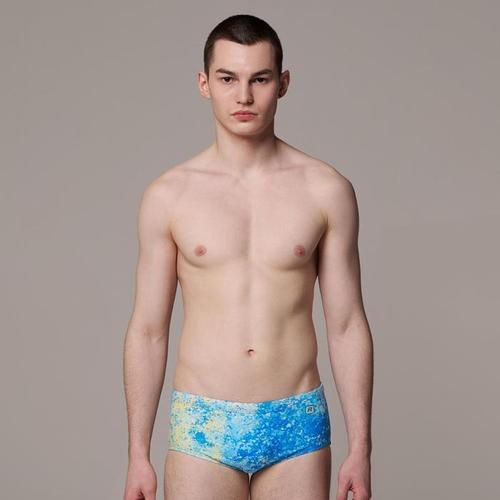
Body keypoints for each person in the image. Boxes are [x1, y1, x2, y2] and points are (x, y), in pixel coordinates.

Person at [123, 13, 373, 500]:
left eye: (259, 79)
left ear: (283, 84)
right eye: (227, 79)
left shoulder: (326, 190)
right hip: (203, 425)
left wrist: (361, 447)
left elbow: (346, 324)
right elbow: (148, 330)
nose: (244, 96)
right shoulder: (169, 196)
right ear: (204, 84)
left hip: (296, 422)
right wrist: (137, 454)